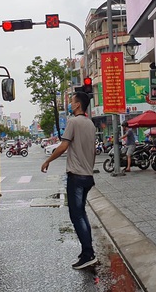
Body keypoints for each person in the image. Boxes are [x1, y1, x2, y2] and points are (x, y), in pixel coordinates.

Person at [41, 92, 98, 270]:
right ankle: (87, 251)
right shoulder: (90, 123)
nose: (70, 104)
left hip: (76, 176)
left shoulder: (73, 122)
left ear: (78, 105)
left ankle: (88, 254)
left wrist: (48, 160)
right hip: (88, 176)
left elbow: (64, 146)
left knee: (77, 215)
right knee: (82, 213)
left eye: (72, 102)